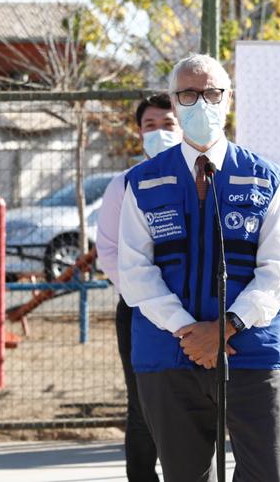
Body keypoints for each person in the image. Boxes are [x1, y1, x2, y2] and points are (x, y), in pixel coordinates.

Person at [118, 53, 280, 482]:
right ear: (175, 105)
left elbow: (276, 270)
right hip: (169, 354)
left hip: (249, 351)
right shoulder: (142, 182)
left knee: (269, 474)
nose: (202, 103)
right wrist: (188, 330)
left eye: (212, 93)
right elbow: (135, 272)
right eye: (190, 94)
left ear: (228, 100)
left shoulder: (264, 178)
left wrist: (226, 327)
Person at [96, 93, 182, 482]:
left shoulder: (203, 179)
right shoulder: (123, 184)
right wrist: (146, 298)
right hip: (138, 312)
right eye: (151, 126)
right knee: (143, 407)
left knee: (193, 405)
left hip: (198, 312)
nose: (160, 133)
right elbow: (109, 252)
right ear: (139, 133)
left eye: (169, 125)